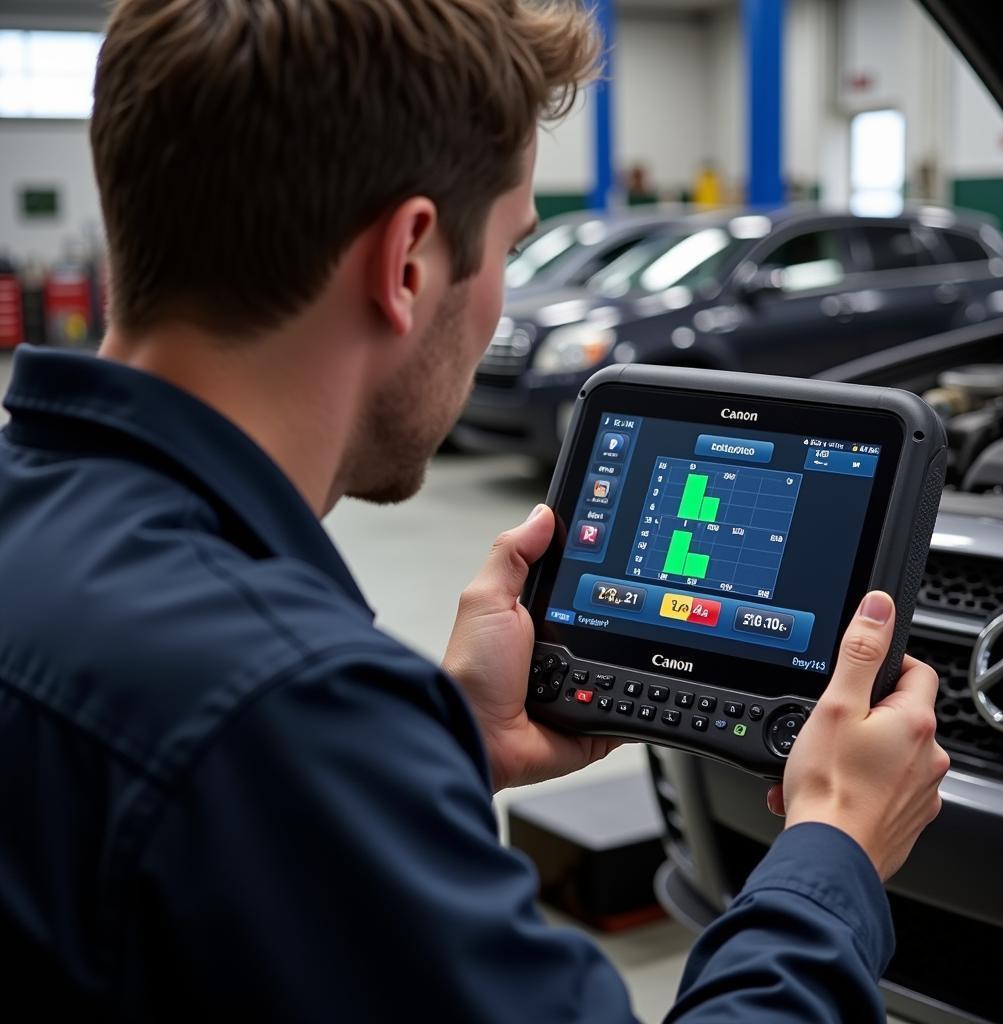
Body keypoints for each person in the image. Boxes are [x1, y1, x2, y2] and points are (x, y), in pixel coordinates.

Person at [0, 2, 949, 1021]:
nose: (500, 297)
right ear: (407, 260)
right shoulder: (278, 706)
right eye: (508, 247)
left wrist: (439, 740)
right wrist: (835, 847)